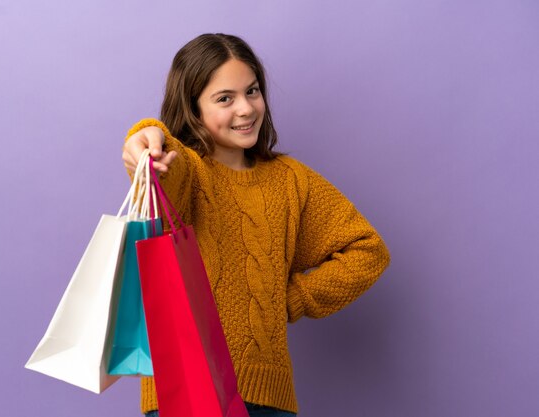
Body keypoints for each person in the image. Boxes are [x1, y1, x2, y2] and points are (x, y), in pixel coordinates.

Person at [122, 33, 390, 417]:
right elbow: (165, 156)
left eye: (252, 91)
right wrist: (146, 138)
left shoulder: (290, 180)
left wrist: (289, 299)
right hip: (185, 388)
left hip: (270, 397)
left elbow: (369, 250)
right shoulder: (190, 172)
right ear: (193, 109)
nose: (246, 109)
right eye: (224, 98)